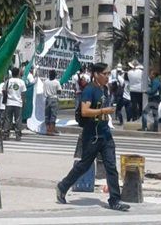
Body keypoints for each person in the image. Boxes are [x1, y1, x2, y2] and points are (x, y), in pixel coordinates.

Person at [55, 62, 130, 212]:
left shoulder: (104, 89)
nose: (108, 77)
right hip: (92, 136)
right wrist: (103, 111)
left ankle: (115, 200)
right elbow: (85, 111)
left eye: (109, 74)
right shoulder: (89, 90)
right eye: (105, 74)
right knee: (84, 165)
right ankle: (62, 186)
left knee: (111, 167)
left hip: (105, 135)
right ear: (96, 74)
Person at [4, 66, 27, 140]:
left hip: (9, 102)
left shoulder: (8, 81)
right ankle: (18, 135)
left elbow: (4, 90)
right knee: (18, 119)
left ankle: (6, 134)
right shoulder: (21, 82)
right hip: (18, 103)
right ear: (18, 73)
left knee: (8, 119)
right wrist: (24, 102)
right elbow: (23, 94)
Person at [44, 69, 62, 136]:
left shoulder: (46, 81)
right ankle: (51, 130)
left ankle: (48, 129)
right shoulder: (57, 82)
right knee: (53, 115)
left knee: (47, 115)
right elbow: (59, 91)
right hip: (54, 99)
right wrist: (55, 91)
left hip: (47, 99)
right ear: (55, 75)